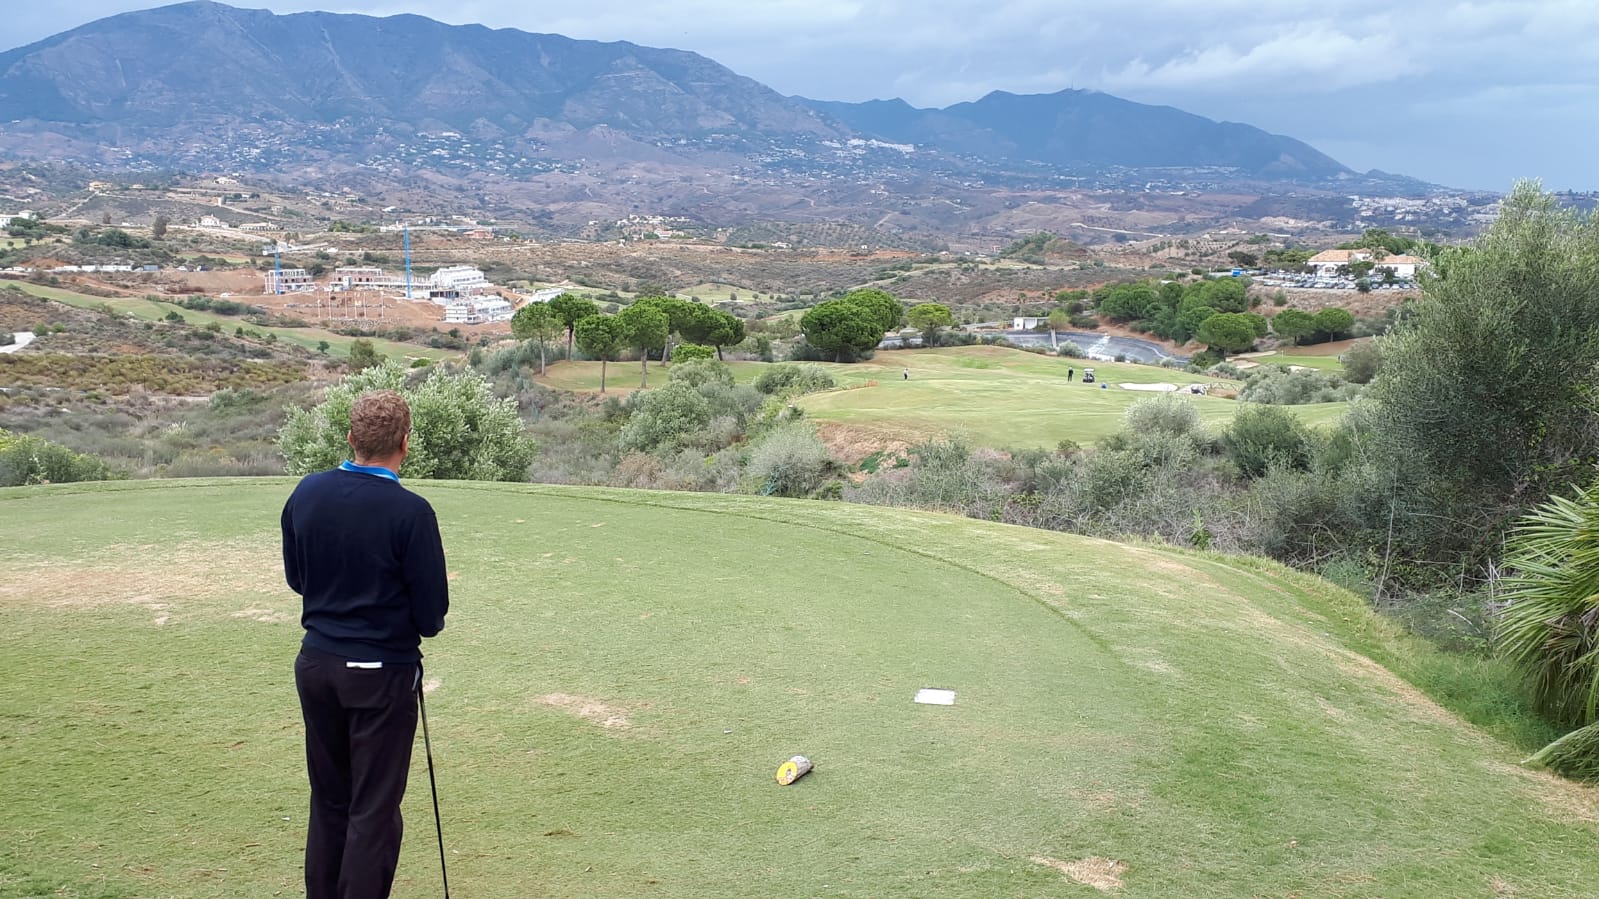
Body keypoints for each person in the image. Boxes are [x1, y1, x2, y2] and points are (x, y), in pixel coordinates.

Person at [282, 390, 450, 899]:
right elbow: (431, 617)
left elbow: (298, 580)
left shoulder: (306, 493)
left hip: (317, 664)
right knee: (372, 809)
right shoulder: (411, 512)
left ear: (351, 438)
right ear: (405, 442)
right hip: (381, 675)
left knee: (330, 800)